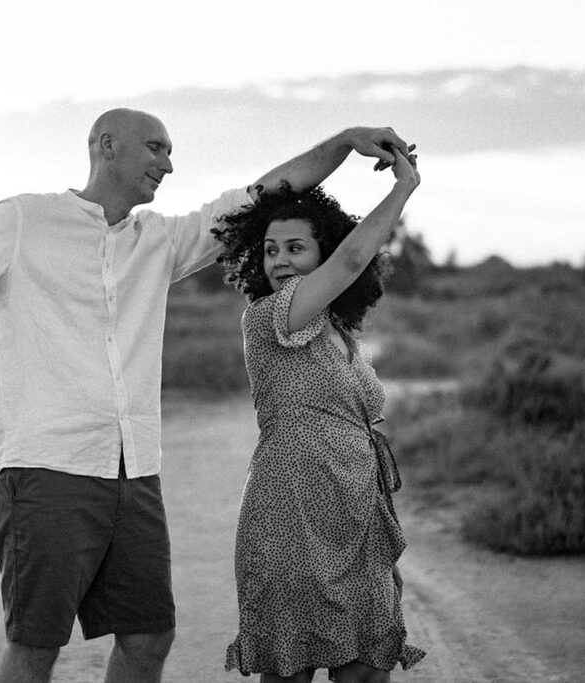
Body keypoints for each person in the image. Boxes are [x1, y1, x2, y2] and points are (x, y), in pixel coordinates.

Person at [0, 107, 411, 683]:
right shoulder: (23, 221)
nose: (168, 164)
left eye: (171, 154)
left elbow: (260, 196)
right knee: (36, 643)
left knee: (149, 637)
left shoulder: (160, 241)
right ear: (105, 146)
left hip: (134, 471)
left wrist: (341, 145)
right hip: (46, 466)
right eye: (156, 148)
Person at [212, 148, 424, 682]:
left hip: (356, 515)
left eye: (295, 248)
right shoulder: (266, 319)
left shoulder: (341, 332)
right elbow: (352, 261)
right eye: (269, 250)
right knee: (290, 669)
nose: (279, 260)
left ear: (320, 252)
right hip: (291, 516)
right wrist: (402, 188)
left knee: (369, 670)